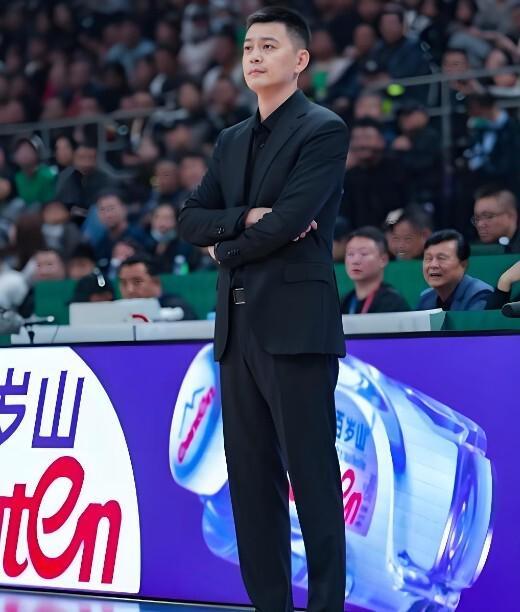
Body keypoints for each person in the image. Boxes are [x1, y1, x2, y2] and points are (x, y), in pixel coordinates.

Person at [177, 7, 348, 612]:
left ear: (300, 60)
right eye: (249, 46)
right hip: (236, 329)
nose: (254, 55)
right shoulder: (230, 140)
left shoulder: (323, 129)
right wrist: (246, 219)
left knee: (314, 479)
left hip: (296, 326)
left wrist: (224, 246)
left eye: (268, 46)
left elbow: (293, 219)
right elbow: (188, 219)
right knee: (250, 484)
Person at [417, 229, 492, 310]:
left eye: (441, 258)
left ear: (463, 264)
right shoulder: (426, 298)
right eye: (428, 258)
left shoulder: (480, 295)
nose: (433, 265)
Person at [341, 227, 410, 314]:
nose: (355, 261)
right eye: (350, 254)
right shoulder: (345, 301)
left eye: (364, 254)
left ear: (383, 260)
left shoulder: (393, 303)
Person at [117, 253, 197, 319]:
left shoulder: (177, 309)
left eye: (137, 281)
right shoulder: (118, 313)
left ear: (156, 282)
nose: (130, 290)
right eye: (124, 283)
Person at [472, 186, 520, 253]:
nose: (480, 224)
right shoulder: (477, 249)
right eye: (477, 218)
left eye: (488, 216)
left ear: (511, 216)